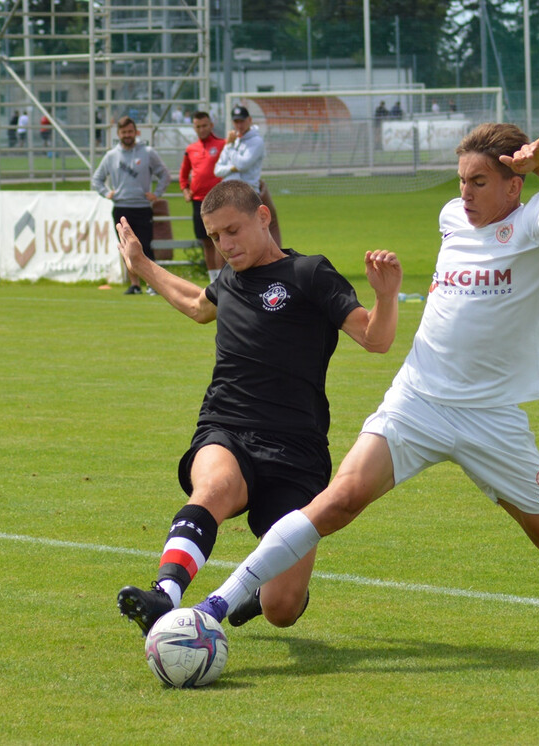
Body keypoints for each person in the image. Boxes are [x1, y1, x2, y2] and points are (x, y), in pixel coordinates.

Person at [189, 123, 539, 642]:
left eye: (480, 182)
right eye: (461, 180)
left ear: (514, 183)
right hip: (418, 397)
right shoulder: (451, 217)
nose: (464, 193)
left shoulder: (537, 218)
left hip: (491, 415)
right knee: (338, 500)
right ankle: (214, 606)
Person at [114, 179, 403, 633]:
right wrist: (141, 263)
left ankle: (263, 591)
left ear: (263, 218)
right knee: (214, 487)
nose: (225, 246)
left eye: (232, 231)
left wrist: (386, 296)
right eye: (214, 237)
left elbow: (376, 338)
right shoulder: (229, 279)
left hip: (297, 450)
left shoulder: (309, 274)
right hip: (227, 426)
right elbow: (195, 304)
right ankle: (163, 595)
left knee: (281, 609)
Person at [91, 116, 172, 295]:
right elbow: (97, 180)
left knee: (145, 246)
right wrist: (107, 193)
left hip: (142, 207)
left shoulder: (148, 152)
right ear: (118, 134)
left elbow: (165, 175)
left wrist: (156, 194)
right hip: (121, 208)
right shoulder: (111, 155)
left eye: (130, 131)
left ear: (136, 132)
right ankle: (135, 284)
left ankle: (153, 284)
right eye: (123, 132)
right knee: (127, 248)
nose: (127, 135)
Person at [214, 105, 282, 248]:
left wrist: (231, 149)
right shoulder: (234, 141)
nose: (239, 125)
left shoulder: (256, 141)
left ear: (249, 120)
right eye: (236, 122)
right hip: (229, 194)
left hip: (248, 193)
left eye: (242, 121)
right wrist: (231, 167)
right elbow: (217, 170)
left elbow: (242, 164)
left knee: (250, 232)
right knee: (231, 232)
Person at [179, 111, 227, 282]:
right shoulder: (191, 149)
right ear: (194, 128)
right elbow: (183, 174)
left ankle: (224, 278)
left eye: (205, 125)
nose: (201, 129)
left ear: (211, 125)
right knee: (206, 241)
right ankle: (213, 280)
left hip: (219, 201)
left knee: (221, 238)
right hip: (198, 202)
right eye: (198, 126)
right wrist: (185, 190)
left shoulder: (222, 144)